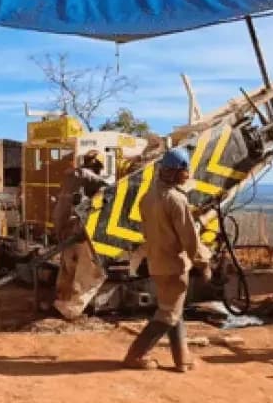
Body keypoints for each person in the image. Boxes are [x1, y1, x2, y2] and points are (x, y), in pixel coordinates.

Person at [123, 148, 208, 372]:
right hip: (173, 265)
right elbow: (189, 238)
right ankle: (136, 355)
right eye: (185, 170)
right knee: (169, 313)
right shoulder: (176, 200)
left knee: (172, 308)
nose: (187, 174)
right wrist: (203, 263)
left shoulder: (148, 197)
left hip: (157, 261)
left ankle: (183, 359)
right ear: (177, 172)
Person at [52, 150, 110, 319]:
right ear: (97, 166)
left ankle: (60, 300)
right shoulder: (86, 175)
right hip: (76, 230)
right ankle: (72, 310)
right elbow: (108, 189)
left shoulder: (72, 177)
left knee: (69, 266)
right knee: (93, 272)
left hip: (63, 228)